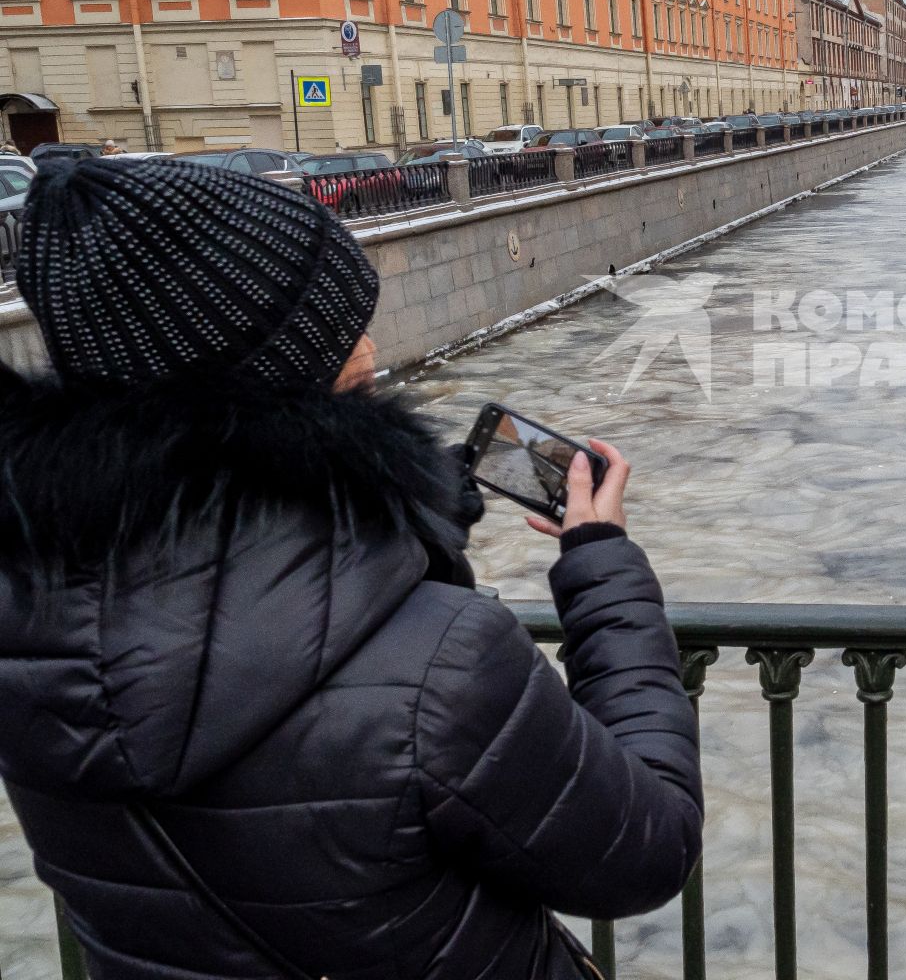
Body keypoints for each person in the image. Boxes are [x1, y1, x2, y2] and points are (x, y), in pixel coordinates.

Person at [0, 159, 702, 978]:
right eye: (338, 334)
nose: (369, 347)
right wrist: (603, 567)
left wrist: (398, 490)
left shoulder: (27, 628)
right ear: (267, 375)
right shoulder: (441, 662)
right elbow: (646, 849)